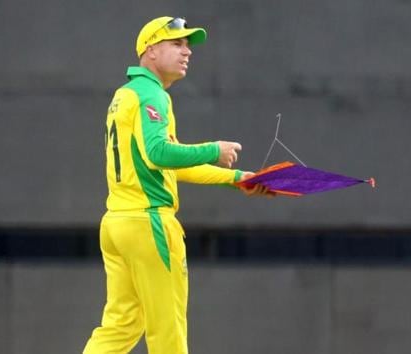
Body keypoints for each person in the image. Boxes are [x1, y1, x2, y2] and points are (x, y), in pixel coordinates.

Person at [82, 16, 273, 354]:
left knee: (120, 326)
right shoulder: (152, 95)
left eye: (188, 45)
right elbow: (159, 153)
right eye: (177, 44)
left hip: (117, 223)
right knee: (168, 330)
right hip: (149, 223)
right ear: (151, 50)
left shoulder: (127, 94)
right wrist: (215, 149)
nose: (187, 52)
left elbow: (169, 166)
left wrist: (236, 178)